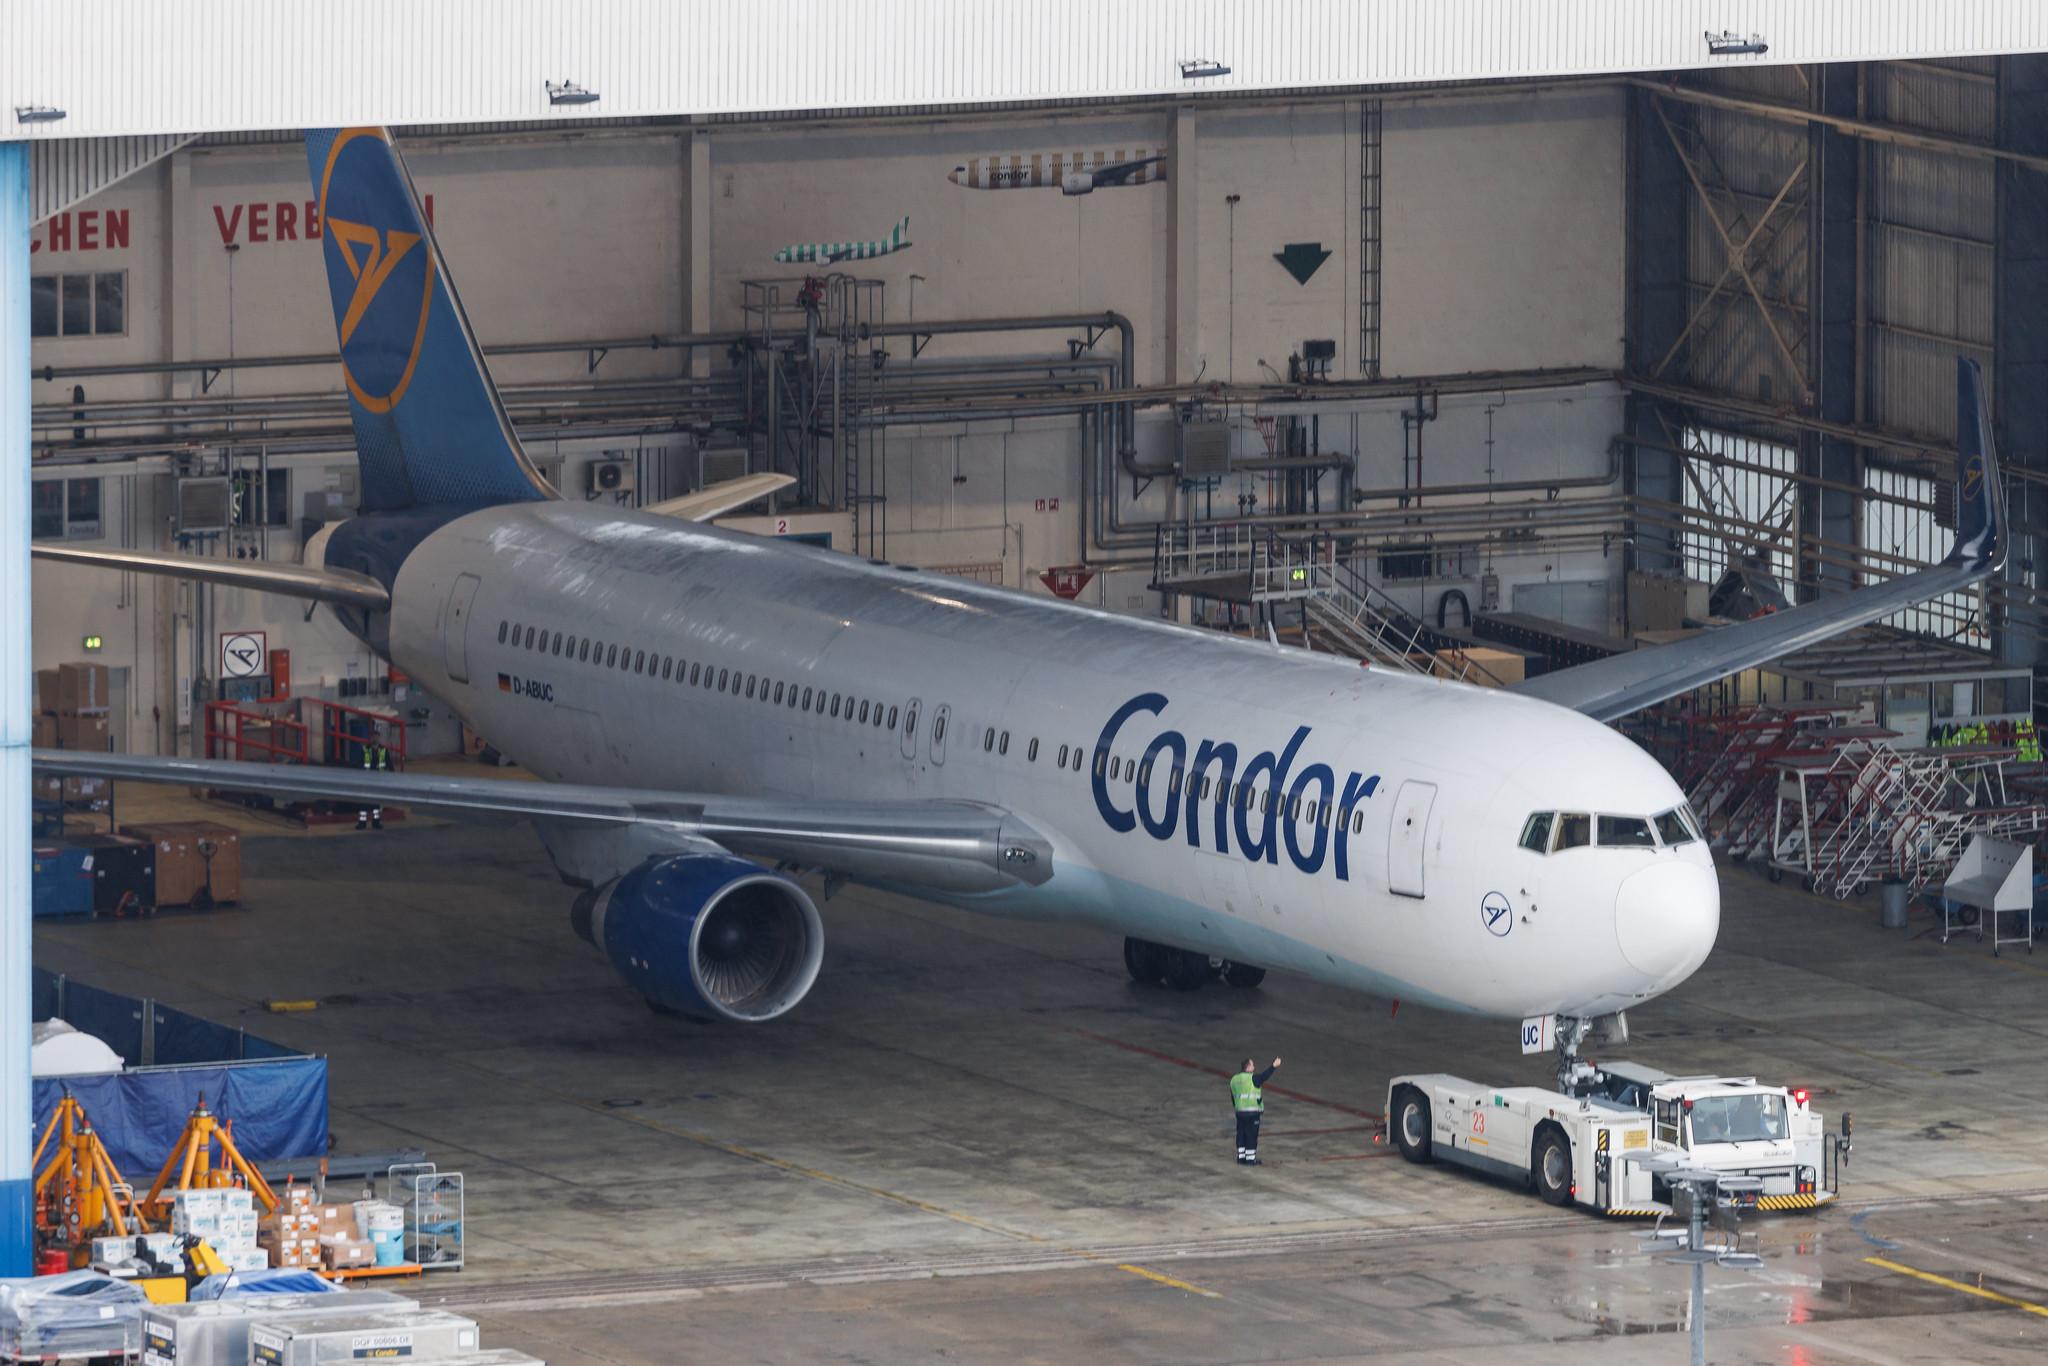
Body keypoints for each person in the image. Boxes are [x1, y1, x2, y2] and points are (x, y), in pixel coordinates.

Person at [1229, 1056, 1281, 1166]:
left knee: (1241, 1134)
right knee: (1251, 1135)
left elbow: (1233, 1097)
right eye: (1252, 1065)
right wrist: (1273, 1066)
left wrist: (1238, 1108)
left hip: (1240, 1112)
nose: (1254, 1067)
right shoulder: (1253, 1078)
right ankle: (1250, 1159)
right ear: (1247, 1067)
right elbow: (1264, 1076)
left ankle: (1241, 1157)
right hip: (1252, 1113)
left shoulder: (1234, 1080)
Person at [358, 731, 391, 830]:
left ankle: (376, 822)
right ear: (370, 738)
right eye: (373, 737)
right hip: (366, 780)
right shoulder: (365, 750)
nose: (375, 739)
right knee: (363, 802)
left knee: (376, 803)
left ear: (379, 738)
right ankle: (362, 823)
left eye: (376, 737)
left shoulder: (383, 750)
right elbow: (359, 764)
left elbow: (389, 764)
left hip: (378, 780)